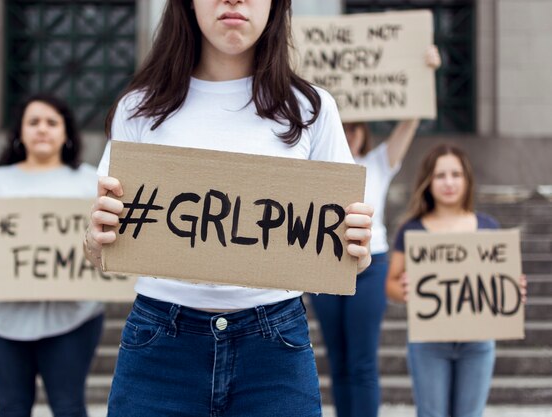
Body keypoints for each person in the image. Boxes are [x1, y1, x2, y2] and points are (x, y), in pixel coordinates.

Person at [84, 1, 373, 416]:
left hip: (274, 345)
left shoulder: (311, 109)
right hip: (160, 343)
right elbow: (97, 249)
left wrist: (356, 249)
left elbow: (347, 260)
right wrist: (96, 237)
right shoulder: (139, 108)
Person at [309, 45, 441, 417]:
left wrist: (424, 72)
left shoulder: (378, 163)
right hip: (325, 266)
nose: (348, 135)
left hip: (372, 266)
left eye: (354, 129)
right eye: (343, 127)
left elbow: (410, 122)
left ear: (364, 133)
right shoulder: (315, 166)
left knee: (363, 360)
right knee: (337, 359)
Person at [0, 94, 104, 417]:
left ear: (66, 132)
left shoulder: (89, 181)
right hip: (0, 319)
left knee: (69, 406)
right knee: (12, 408)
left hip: (74, 316)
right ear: (19, 131)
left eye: (51, 122)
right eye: (33, 123)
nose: (42, 130)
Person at [385, 144, 527, 417]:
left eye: (456, 174)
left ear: (467, 179)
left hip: (478, 341)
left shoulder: (488, 226)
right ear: (428, 181)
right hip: (429, 342)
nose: (448, 182)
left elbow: (498, 281)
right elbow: (390, 284)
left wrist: (511, 290)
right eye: (440, 175)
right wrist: (405, 291)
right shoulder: (411, 229)